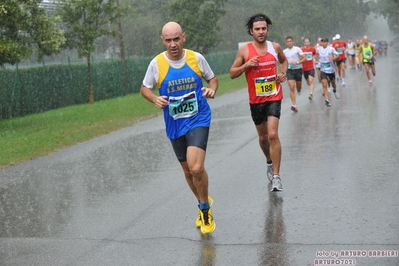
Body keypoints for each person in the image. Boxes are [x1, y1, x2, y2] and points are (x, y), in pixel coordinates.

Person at [140, 22, 217, 234]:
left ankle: (204, 209)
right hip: (175, 123)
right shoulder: (156, 63)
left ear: (183, 37)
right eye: (168, 40)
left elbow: (213, 79)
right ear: (162, 40)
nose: (173, 44)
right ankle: (204, 200)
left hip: (198, 117)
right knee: (187, 170)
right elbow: (144, 88)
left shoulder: (196, 58)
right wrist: (154, 98)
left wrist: (211, 90)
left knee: (196, 168)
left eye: (176, 39)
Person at [229, 13, 287, 192]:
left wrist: (282, 74)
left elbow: (284, 61)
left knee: (272, 135)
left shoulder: (274, 47)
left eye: (264, 28)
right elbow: (232, 73)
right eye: (257, 29)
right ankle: (269, 162)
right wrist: (246, 65)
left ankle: (276, 177)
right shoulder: (245, 51)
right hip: (256, 101)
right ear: (251, 31)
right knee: (263, 138)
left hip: (274, 96)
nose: (261, 32)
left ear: (267, 30)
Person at [283, 36, 306, 112]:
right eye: (288, 41)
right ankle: (294, 105)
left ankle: (299, 90)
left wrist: (297, 62)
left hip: (298, 69)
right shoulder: (284, 51)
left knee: (298, 86)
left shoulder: (297, 49)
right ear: (286, 43)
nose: (289, 43)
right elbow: (282, 61)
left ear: (293, 42)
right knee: (292, 86)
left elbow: (304, 58)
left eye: (290, 41)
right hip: (289, 70)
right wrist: (283, 71)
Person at [315, 37, 340, 107]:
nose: (323, 43)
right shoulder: (318, 49)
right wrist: (315, 59)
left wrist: (333, 58)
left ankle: (334, 90)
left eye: (324, 42)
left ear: (327, 42)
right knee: (324, 84)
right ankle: (327, 100)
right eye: (322, 42)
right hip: (323, 69)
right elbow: (316, 56)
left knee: (333, 84)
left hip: (331, 69)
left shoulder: (331, 49)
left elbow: (338, 55)